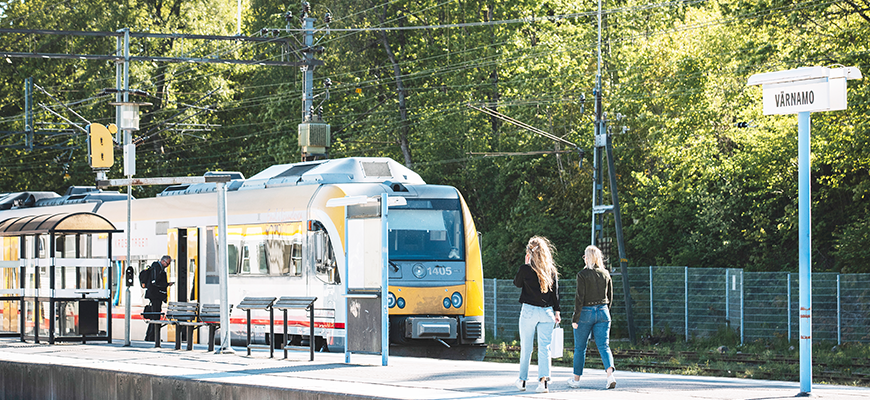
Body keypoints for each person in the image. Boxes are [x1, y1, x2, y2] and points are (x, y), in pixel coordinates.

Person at [513, 236, 560, 393]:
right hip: (547, 313)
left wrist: (526, 265)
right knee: (544, 348)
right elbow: (555, 294)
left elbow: (517, 283)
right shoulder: (551, 270)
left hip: (529, 312)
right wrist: (557, 312)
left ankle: (523, 381)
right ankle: (543, 383)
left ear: (529, 252)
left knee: (526, 348)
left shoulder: (525, 269)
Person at [567, 245, 617, 389]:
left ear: (588, 257)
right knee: (604, 345)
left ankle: (576, 380)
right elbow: (610, 296)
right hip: (603, 311)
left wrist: (575, 319)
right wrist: (605, 311)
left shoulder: (582, 274)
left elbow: (579, 298)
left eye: (585, 256)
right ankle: (610, 376)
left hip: (586, 313)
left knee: (580, 348)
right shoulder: (606, 273)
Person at [144, 255, 174, 341]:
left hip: (155, 295)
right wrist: (167, 284)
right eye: (167, 263)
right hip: (155, 295)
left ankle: (151, 337)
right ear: (163, 261)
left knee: (155, 317)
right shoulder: (156, 268)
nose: (167, 265)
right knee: (155, 317)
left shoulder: (157, 268)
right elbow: (156, 282)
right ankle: (151, 337)